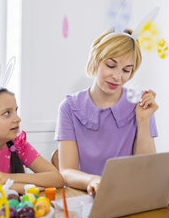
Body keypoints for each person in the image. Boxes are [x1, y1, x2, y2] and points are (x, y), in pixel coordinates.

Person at [55, 29, 158, 196]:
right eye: (111, 65)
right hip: (86, 196)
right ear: (96, 61)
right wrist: (92, 181)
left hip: (129, 196)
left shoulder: (140, 105)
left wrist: (143, 120)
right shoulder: (69, 107)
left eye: (126, 70)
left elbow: (146, 168)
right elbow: (67, 171)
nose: (117, 76)